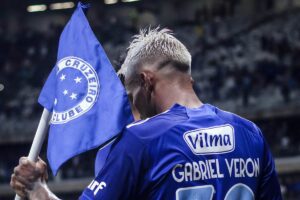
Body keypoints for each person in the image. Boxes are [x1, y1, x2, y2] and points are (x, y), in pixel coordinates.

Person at [10, 28, 282, 200]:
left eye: (130, 96)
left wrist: (36, 188)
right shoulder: (250, 133)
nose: (134, 110)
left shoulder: (141, 139)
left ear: (146, 81)